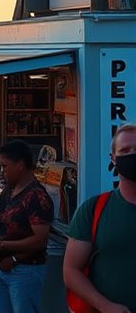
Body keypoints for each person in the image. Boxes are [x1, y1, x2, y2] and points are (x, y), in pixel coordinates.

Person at [64, 124, 136, 313]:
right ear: (113, 158)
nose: (132, 155)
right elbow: (71, 271)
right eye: (125, 150)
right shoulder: (94, 209)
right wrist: (106, 306)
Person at [0, 140, 53, 313]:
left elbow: (40, 240)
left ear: (20, 164)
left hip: (25, 271)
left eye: (5, 166)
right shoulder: (9, 190)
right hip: (1, 268)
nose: (2, 171)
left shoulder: (36, 196)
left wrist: (7, 250)